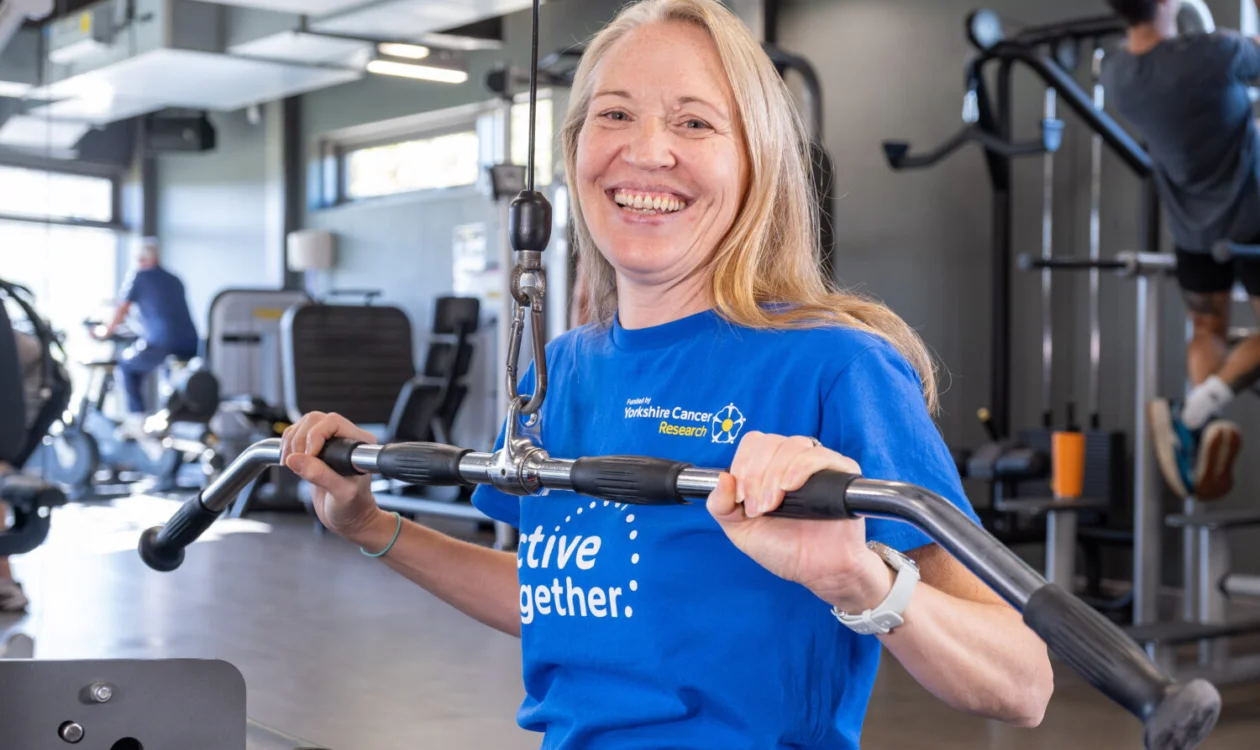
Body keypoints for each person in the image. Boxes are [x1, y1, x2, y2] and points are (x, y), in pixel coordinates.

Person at [280, 1, 1054, 746]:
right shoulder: (563, 373)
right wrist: (372, 526)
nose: (647, 151)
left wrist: (861, 581)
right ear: (578, 149)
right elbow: (563, 603)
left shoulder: (835, 366)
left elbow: (1023, 683)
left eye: (693, 122)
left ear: (756, 162)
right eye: (614, 115)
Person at [1104, 0, 1260, 500]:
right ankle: (1197, 407)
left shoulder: (1117, 73)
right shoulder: (1213, 54)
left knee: (1206, 327)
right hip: (1252, 218)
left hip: (1191, 228)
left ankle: (1196, 423)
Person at [97, 238, 199, 433]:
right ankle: (169, 421)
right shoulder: (174, 278)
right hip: (190, 343)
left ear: (139, 258)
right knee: (170, 379)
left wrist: (106, 331)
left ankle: (137, 421)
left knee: (126, 367)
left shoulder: (139, 277)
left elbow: (121, 311)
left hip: (162, 342)